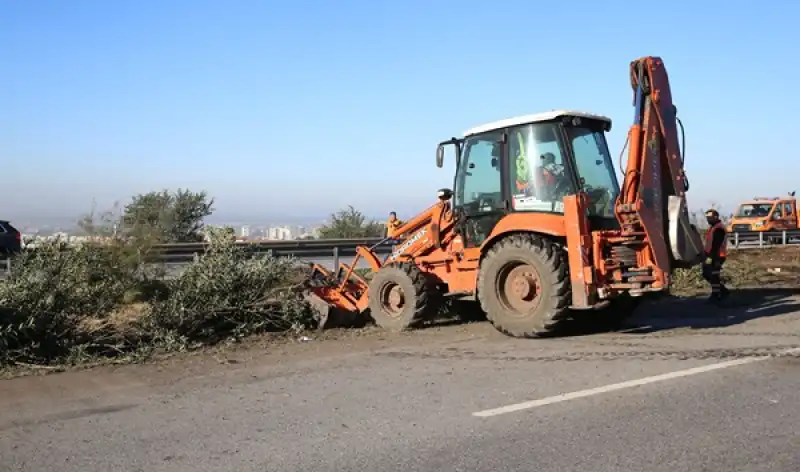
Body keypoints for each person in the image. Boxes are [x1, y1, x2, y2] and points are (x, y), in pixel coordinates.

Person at [702, 208, 730, 303]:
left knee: (713, 275)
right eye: (707, 217)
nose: (708, 219)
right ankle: (722, 291)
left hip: (717, 256)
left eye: (710, 217)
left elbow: (716, 245)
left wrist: (710, 257)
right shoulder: (713, 227)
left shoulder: (719, 229)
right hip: (712, 255)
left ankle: (716, 294)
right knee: (707, 274)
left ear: (716, 217)